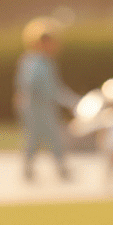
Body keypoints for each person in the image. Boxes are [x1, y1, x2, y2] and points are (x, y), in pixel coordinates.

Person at [14, 18, 81, 182]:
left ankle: (56, 168)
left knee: (48, 138)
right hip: (35, 108)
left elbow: (56, 87)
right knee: (39, 138)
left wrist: (72, 100)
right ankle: (48, 169)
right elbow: (34, 86)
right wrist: (65, 100)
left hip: (46, 107)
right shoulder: (31, 62)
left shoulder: (48, 62)